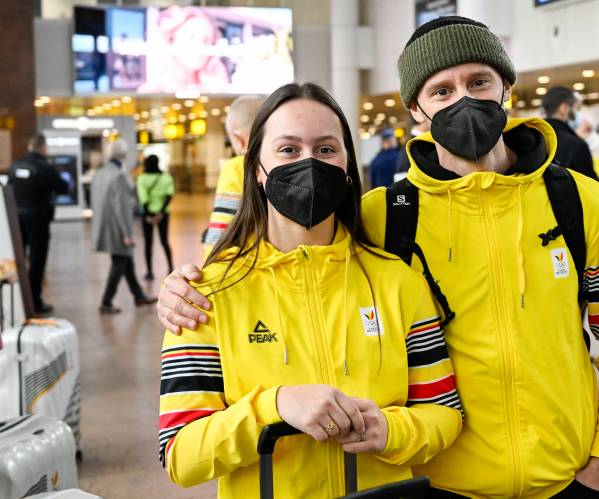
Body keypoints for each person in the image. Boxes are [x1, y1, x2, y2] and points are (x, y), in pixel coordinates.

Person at [158, 16, 599, 498]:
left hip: (567, 479)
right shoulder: (385, 218)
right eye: (441, 90)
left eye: (479, 81)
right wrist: (184, 287)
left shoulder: (580, 202)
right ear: (416, 109)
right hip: (439, 483)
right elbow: (296, 253)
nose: (463, 100)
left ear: (506, 86)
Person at [158, 82, 463, 498]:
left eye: (325, 149)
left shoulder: (397, 281)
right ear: (257, 171)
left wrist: (390, 430)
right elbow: (179, 454)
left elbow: (444, 414)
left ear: (347, 166)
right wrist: (276, 406)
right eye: (288, 150)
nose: (309, 163)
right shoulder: (207, 295)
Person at [91, 139, 156, 314]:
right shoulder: (119, 175)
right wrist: (127, 233)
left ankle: (139, 295)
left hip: (104, 226)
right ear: (123, 156)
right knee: (120, 261)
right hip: (117, 229)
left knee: (126, 260)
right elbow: (122, 206)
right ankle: (106, 301)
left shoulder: (100, 173)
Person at [7, 134, 68, 315]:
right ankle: (35, 301)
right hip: (38, 220)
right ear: (43, 147)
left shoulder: (15, 165)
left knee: (18, 258)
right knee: (37, 260)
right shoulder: (45, 167)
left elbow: (9, 188)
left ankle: (18, 300)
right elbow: (63, 187)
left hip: (16, 219)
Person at [202, 95, 264, 253]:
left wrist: (209, 267)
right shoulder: (281, 163)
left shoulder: (237, 167)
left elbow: (221, 229)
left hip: (247, 261)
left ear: (239, 140)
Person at [543, 86, 599, 182]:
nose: (577, 113)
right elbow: (593, 187)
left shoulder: (532, 135)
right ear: (564, 108)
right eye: (576, 108)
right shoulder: (577, 145)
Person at [137, 154, 174, 279]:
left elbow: (143, 198)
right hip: (163, 214)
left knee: (148, 243)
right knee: (164, 241)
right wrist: (161, 212)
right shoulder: (166, 177)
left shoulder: (142, 178)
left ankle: (149, 272)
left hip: (148, 214)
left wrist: (148, 215)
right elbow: (169, 195)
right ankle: (170, 267)